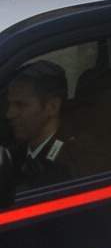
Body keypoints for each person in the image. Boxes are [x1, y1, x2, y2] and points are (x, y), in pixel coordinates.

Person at [5, 60, 81, 190]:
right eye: (10, 104)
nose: (9, 114)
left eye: (20, 105)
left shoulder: (67, 164)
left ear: (52, 107)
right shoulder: (18, 152)